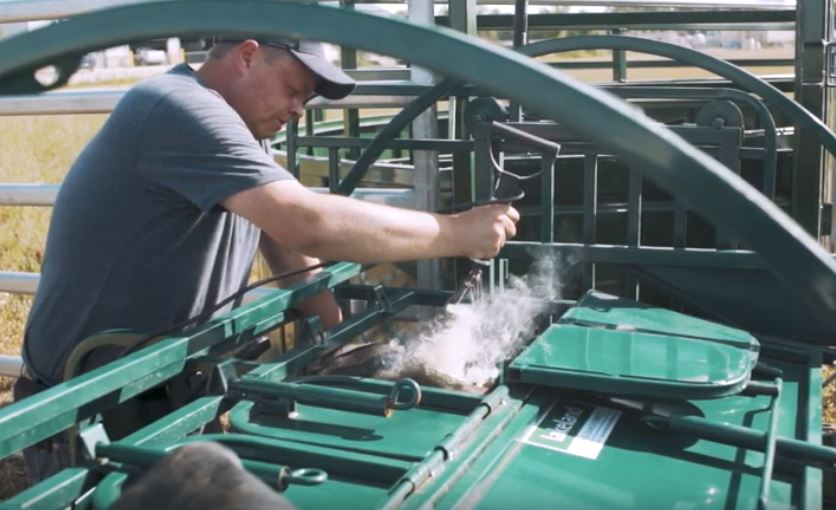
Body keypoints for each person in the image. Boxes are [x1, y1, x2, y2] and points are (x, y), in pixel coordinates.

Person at [13, 37, 519, 482]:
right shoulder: (176, 106)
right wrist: (458, 232)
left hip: (155, 384)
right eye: (295, 89)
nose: (300, 109)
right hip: (89, 407)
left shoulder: (237, 126)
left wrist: (334, 333)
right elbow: (303, 221)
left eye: (307, 99)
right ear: (248, 56)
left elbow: (279, 236)